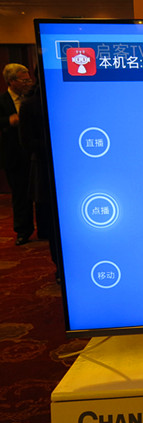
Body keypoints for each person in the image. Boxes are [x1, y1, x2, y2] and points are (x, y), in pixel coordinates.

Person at [19, 68, 59, 276]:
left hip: (77, 167)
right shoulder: (31, 104)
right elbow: (26, 142)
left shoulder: (66, 98)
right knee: (54, 222)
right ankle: (60, 267)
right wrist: (57, 146)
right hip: (46, 168)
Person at [1, 63, 34, 245]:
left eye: (29, 80)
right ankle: (23, 231)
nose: (28, 83)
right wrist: (9, 120)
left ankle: (45, 228)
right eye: (24, 80)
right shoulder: (2, 101)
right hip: (14, 155)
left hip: (34, 154)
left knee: (41, 194)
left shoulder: (33, 97)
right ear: (11, 81)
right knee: (20, 196)